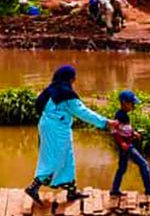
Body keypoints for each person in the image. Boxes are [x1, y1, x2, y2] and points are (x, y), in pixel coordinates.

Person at [24, 66, 117, 203]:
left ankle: (71, 190)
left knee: (67, 158)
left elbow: (39, 106)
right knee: (54, 159)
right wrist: (105, 122)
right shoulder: (66, 94)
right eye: (73, 77)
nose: (74, 80)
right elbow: (83, 112)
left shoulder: (51, 89)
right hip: (56, 129)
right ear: (69, 78)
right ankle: (33, 187)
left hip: (50, 126)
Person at [109, 90, 150, 197]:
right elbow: (114, 130)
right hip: (126, 146)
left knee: (122, 168)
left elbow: (125, 128)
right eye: (132, 103)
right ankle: (149, 190)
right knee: (143, 164)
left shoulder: (124, 114)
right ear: (124, 103)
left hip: (126, 145)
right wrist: (122, 143)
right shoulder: (119, 116)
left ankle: (114, 190)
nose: (133, 106)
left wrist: (133, 133)